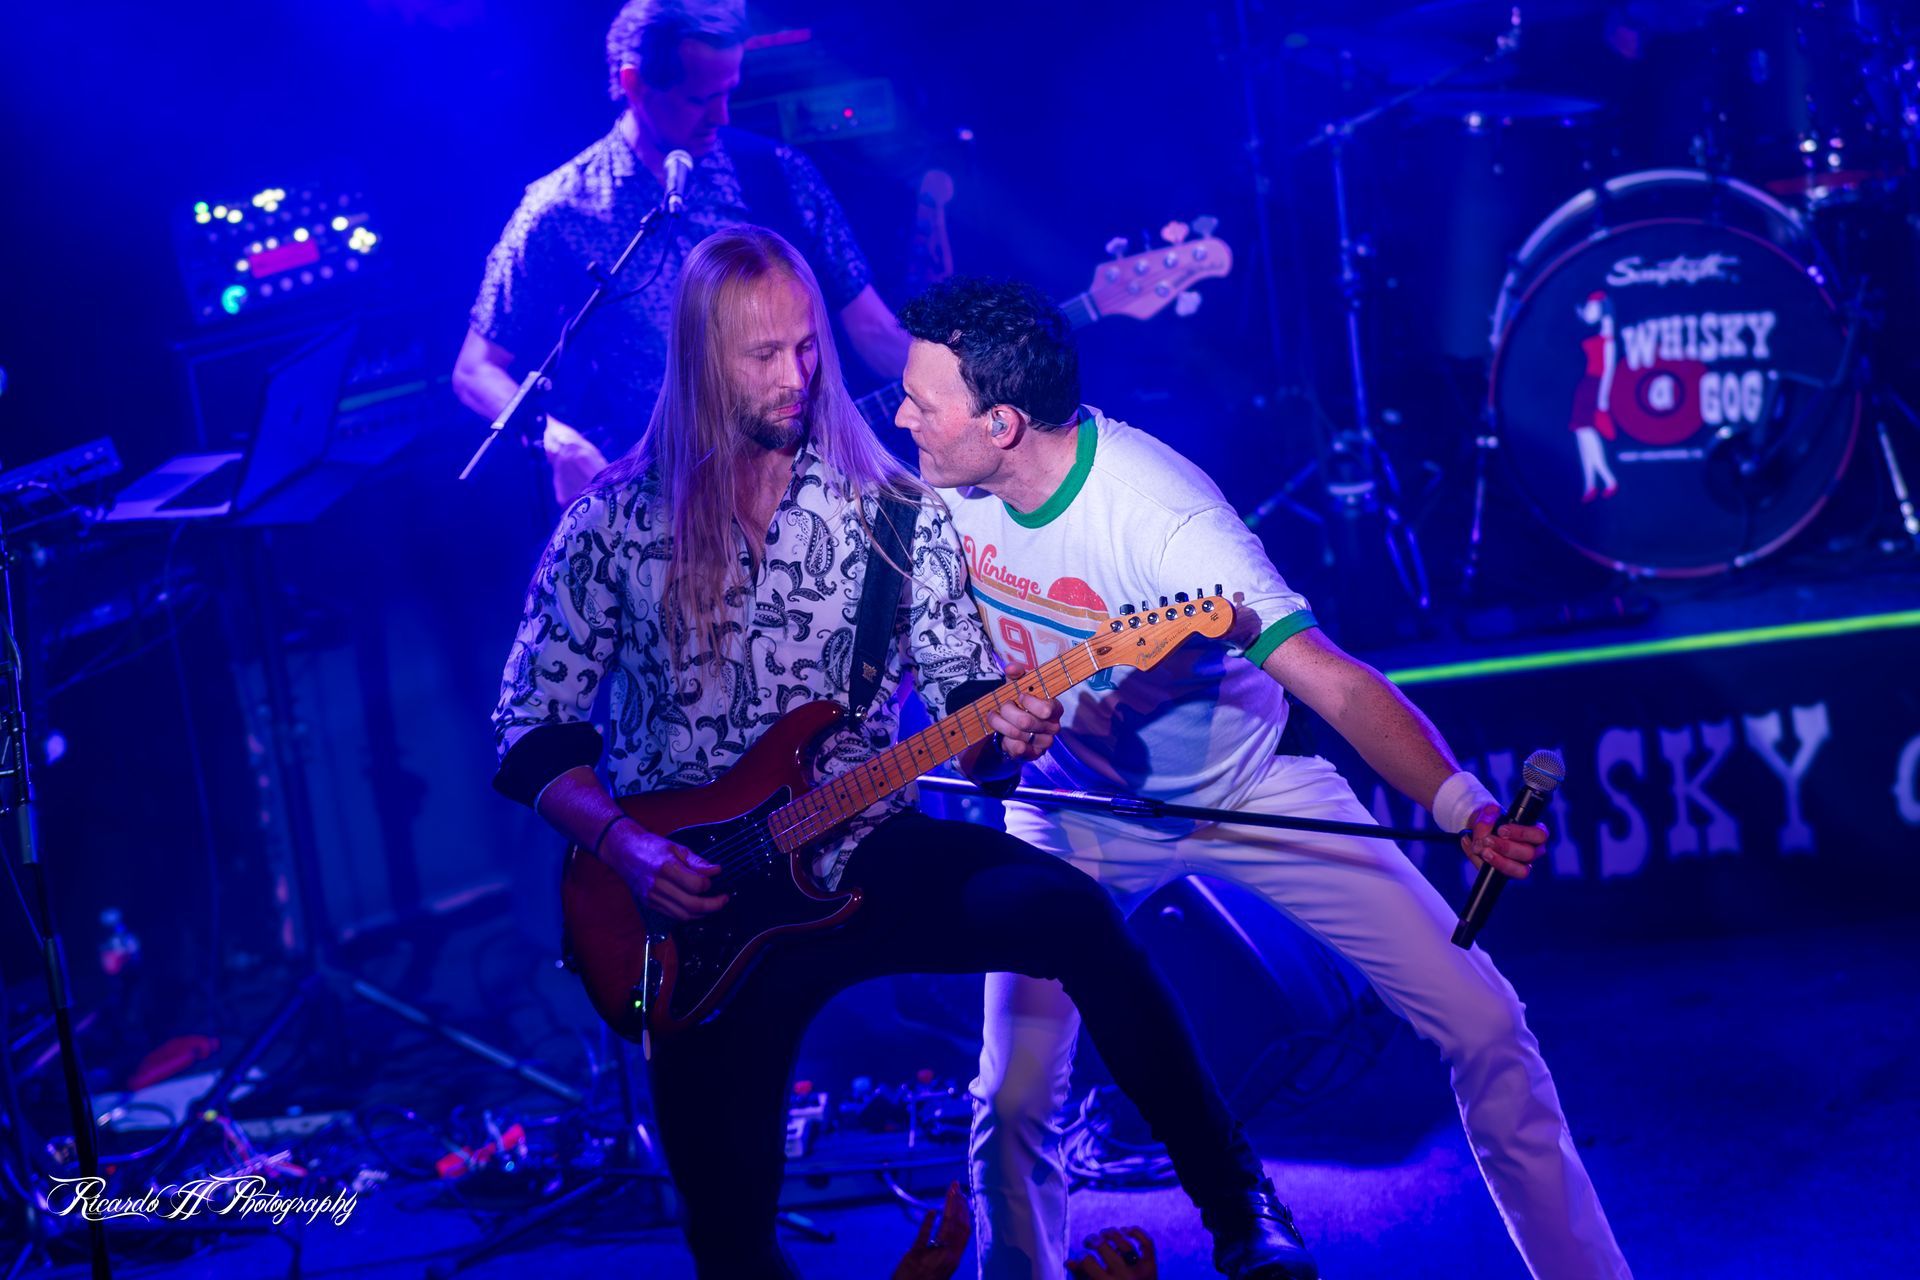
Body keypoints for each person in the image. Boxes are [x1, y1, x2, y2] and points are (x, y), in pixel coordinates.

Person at [490, 228, 1316, 1278]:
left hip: (865, 852)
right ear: (700, 356)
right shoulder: (611, 520)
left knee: (1072, 914)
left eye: (807, 347)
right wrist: (628, 848)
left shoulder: (891, 509)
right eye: (763, 355)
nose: (796, 377)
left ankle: (1240, 1207)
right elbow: (530, 726)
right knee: (730, 1243)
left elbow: (967, 694)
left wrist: (1002, 739)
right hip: (694, 910)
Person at [894, 277, 1633, 1280]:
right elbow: (973, 746)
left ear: (1003, 423)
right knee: (1014, 1093)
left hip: (1249, 789)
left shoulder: (1165, 518)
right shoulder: (935, 499)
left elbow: (1335, 681)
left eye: (921, 402)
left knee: (1486, 1022)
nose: (901, 419)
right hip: (1075, 809)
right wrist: (994, 741)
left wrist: (1461, 802)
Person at [455, 0, 911, 505]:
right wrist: (561, 446)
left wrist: (950, 378)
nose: (721, 115)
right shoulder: (560, 210)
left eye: (728, 92)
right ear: (633, 84)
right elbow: (475, 368)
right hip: (655, 508)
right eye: (699, 98)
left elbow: (872, 330)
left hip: (796, 497)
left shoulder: (777, 173)